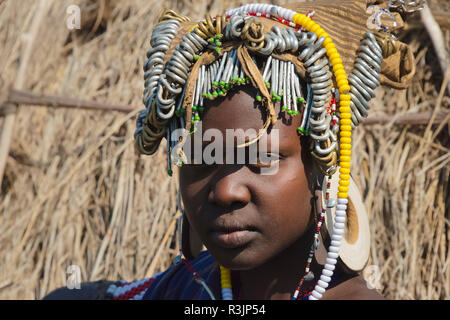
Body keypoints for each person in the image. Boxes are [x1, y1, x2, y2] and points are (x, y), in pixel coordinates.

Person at [44, 0, 421, 300]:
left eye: (262, 158)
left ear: (321, 164)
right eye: (200, 158)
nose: (226, 191)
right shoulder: (189, 287)